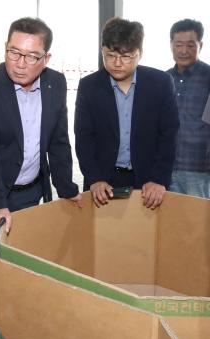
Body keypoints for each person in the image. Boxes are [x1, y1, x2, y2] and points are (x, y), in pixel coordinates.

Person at [0, 17, 81, 256]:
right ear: (5, 48)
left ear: (46, 59)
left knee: (20, 268)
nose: (21, 64)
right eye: (14, 53)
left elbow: (58, 140)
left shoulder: (56, 82)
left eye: (32, 56)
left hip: (28, 194)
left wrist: (66, 188)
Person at [75, 17, 179, 209]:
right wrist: (95, 179)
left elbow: (168, 135)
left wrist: (159, 179)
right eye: (110, 55)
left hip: (148, 182)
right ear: (102, 51)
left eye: (126, 56)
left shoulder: (161, 83)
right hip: (103, 183)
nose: (117, 63)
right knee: (103, 237)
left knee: (144, 236)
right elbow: (84, 138)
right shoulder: (89, 86)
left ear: (139, 53)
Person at [167, 19, 210, 199]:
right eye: (179, 45)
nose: (184, 51)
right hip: (167, 169)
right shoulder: (163, 79)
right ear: (171, 45)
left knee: (199, 225)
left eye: (190, 45)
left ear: (201, 45)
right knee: (169, 224)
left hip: (200, 171)